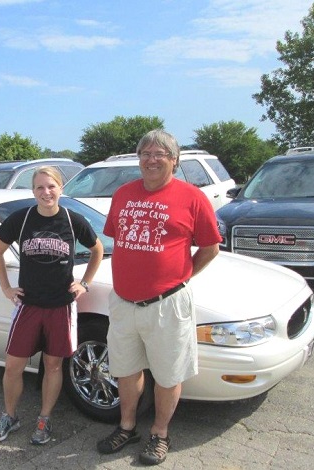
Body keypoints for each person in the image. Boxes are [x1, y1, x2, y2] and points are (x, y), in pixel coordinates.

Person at [96, 130, 221, 465]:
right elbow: (118, 242)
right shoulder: (123, 194)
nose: (151, 159)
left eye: (160, 154)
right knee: (125, 370)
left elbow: (210, 248)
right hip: (123, 303)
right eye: (145, 153)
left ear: (174, 160)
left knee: (168, 374)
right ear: (139, 159)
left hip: (168, 305)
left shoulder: (192, 197)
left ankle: (160, 433)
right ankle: (126, 426)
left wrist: (179, 277)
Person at [0, 166, 104, 445]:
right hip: (28, 304)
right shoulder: (22, 218)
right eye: (40, 187)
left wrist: (84, 283)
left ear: (61, 189)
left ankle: (44, 419)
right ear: (33, 191)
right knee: (13, 366)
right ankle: (10, 416)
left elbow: (97, 249)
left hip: (60, 306)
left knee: (53, 366)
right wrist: (6, 287)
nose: (46, 192)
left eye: (51, 186)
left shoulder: (72, 219)